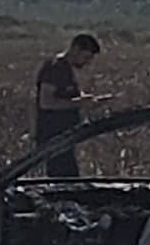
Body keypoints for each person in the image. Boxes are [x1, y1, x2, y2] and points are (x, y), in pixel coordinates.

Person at [31, 33, 102, 178]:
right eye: (86, 57)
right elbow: (46, 102)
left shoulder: (66, 70)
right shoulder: (54, 68)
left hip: (66, 137)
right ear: (75, 49)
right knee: (62, 181)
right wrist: (79, 102)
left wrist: (89, 101)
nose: (87, 63)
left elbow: (66, 97)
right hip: (54, 138)